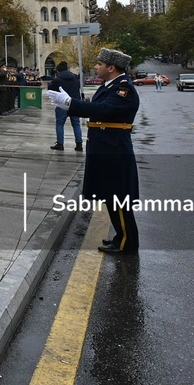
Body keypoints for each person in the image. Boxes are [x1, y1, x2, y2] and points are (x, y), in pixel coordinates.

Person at [47, 48, 140, 254]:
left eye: (99, 64)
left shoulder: (124, 89)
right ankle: (120, 237)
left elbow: (102, 110)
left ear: (111, 67)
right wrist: (71, 104)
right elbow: (96, 107)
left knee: (119, 197)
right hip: (105, 148)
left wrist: (70, 104)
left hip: (114, 150)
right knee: (110, 195)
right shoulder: (110, 86)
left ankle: (128, 242)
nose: (96, 67)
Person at [48, 61, 83, 152]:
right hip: (74, 103)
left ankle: (60, 144)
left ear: (58, 71)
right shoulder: (75, 77)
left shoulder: (57, 79)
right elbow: (78, 87)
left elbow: (50, 89)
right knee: (76, 124)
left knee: (60, 124)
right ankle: (79, 144)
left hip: (62, 104)